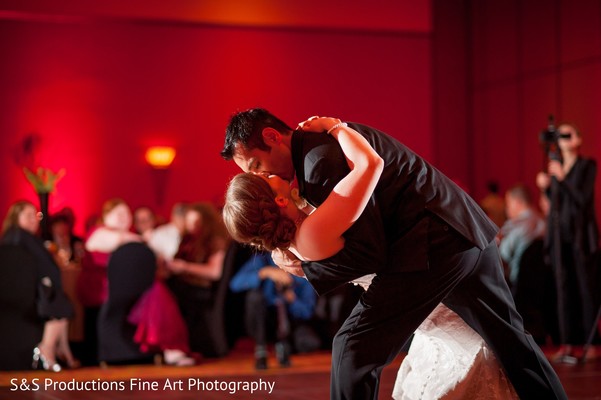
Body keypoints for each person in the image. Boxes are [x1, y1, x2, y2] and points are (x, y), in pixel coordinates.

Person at [221, 109, 567, 400]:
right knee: (511, 341)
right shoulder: (316, 152)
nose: (260, 175)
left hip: (435, 247)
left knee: (352, 348)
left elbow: (367, 251)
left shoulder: (319, 163)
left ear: (271, 137)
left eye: (255, 165)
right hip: (463, 231)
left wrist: (308, 269)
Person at [536, 122, 599, 362]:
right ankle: (566, 343)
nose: (562, 138)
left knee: (585, 289)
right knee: (563, 290)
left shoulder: (587, 165)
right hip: (559, 236)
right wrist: (546, 187)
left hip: (581, 236)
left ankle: (591, 342)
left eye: (567, 133)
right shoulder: (556, 167)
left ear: (578, 140)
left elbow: (582, 200)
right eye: (560, 134)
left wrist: (561, 179)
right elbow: (554, 203)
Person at [1, 200, 78, 371]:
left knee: (61, 302)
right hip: (28, 290)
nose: (32, 219)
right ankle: (47, 347)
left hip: (37, 287)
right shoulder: (18, 235)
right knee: (60, 305)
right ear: (15, 217)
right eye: (27, 215)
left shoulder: (23, 236)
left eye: (34, 215)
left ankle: (62, 350)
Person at [77, 198, 142, 365]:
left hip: (123, 288)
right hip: (99, 287)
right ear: (107, 216)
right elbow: (120, 241)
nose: (124, 217)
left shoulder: (131, 236)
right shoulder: (100, 232)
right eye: (119, 213)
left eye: (127, 214)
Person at [230, 251, 319, 370]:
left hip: (291, 321)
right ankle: (261, 349)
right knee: (254, 297)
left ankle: (284, 347)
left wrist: (291, 297)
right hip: (265, 320)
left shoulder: (303, 268)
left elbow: (307, 312)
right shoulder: (263, 260)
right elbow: (235, 284)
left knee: (308, 342)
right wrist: (264, 272)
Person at [166, 202, 231, 357]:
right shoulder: (188, 240)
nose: (191, 227)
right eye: (189, 223)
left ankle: (174, 346)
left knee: (168, 293)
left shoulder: (215, 241)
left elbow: (214, 272)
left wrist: (184, 267)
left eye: (195, 222)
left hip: (203, 289)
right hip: (187, 285)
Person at [498, 184, 547, 290]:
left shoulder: (513, 226)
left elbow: (501, 260)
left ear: (517, 203)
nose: (506, 208)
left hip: (519, 290)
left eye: (508, 203)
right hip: (546, 289)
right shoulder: (546, 223)